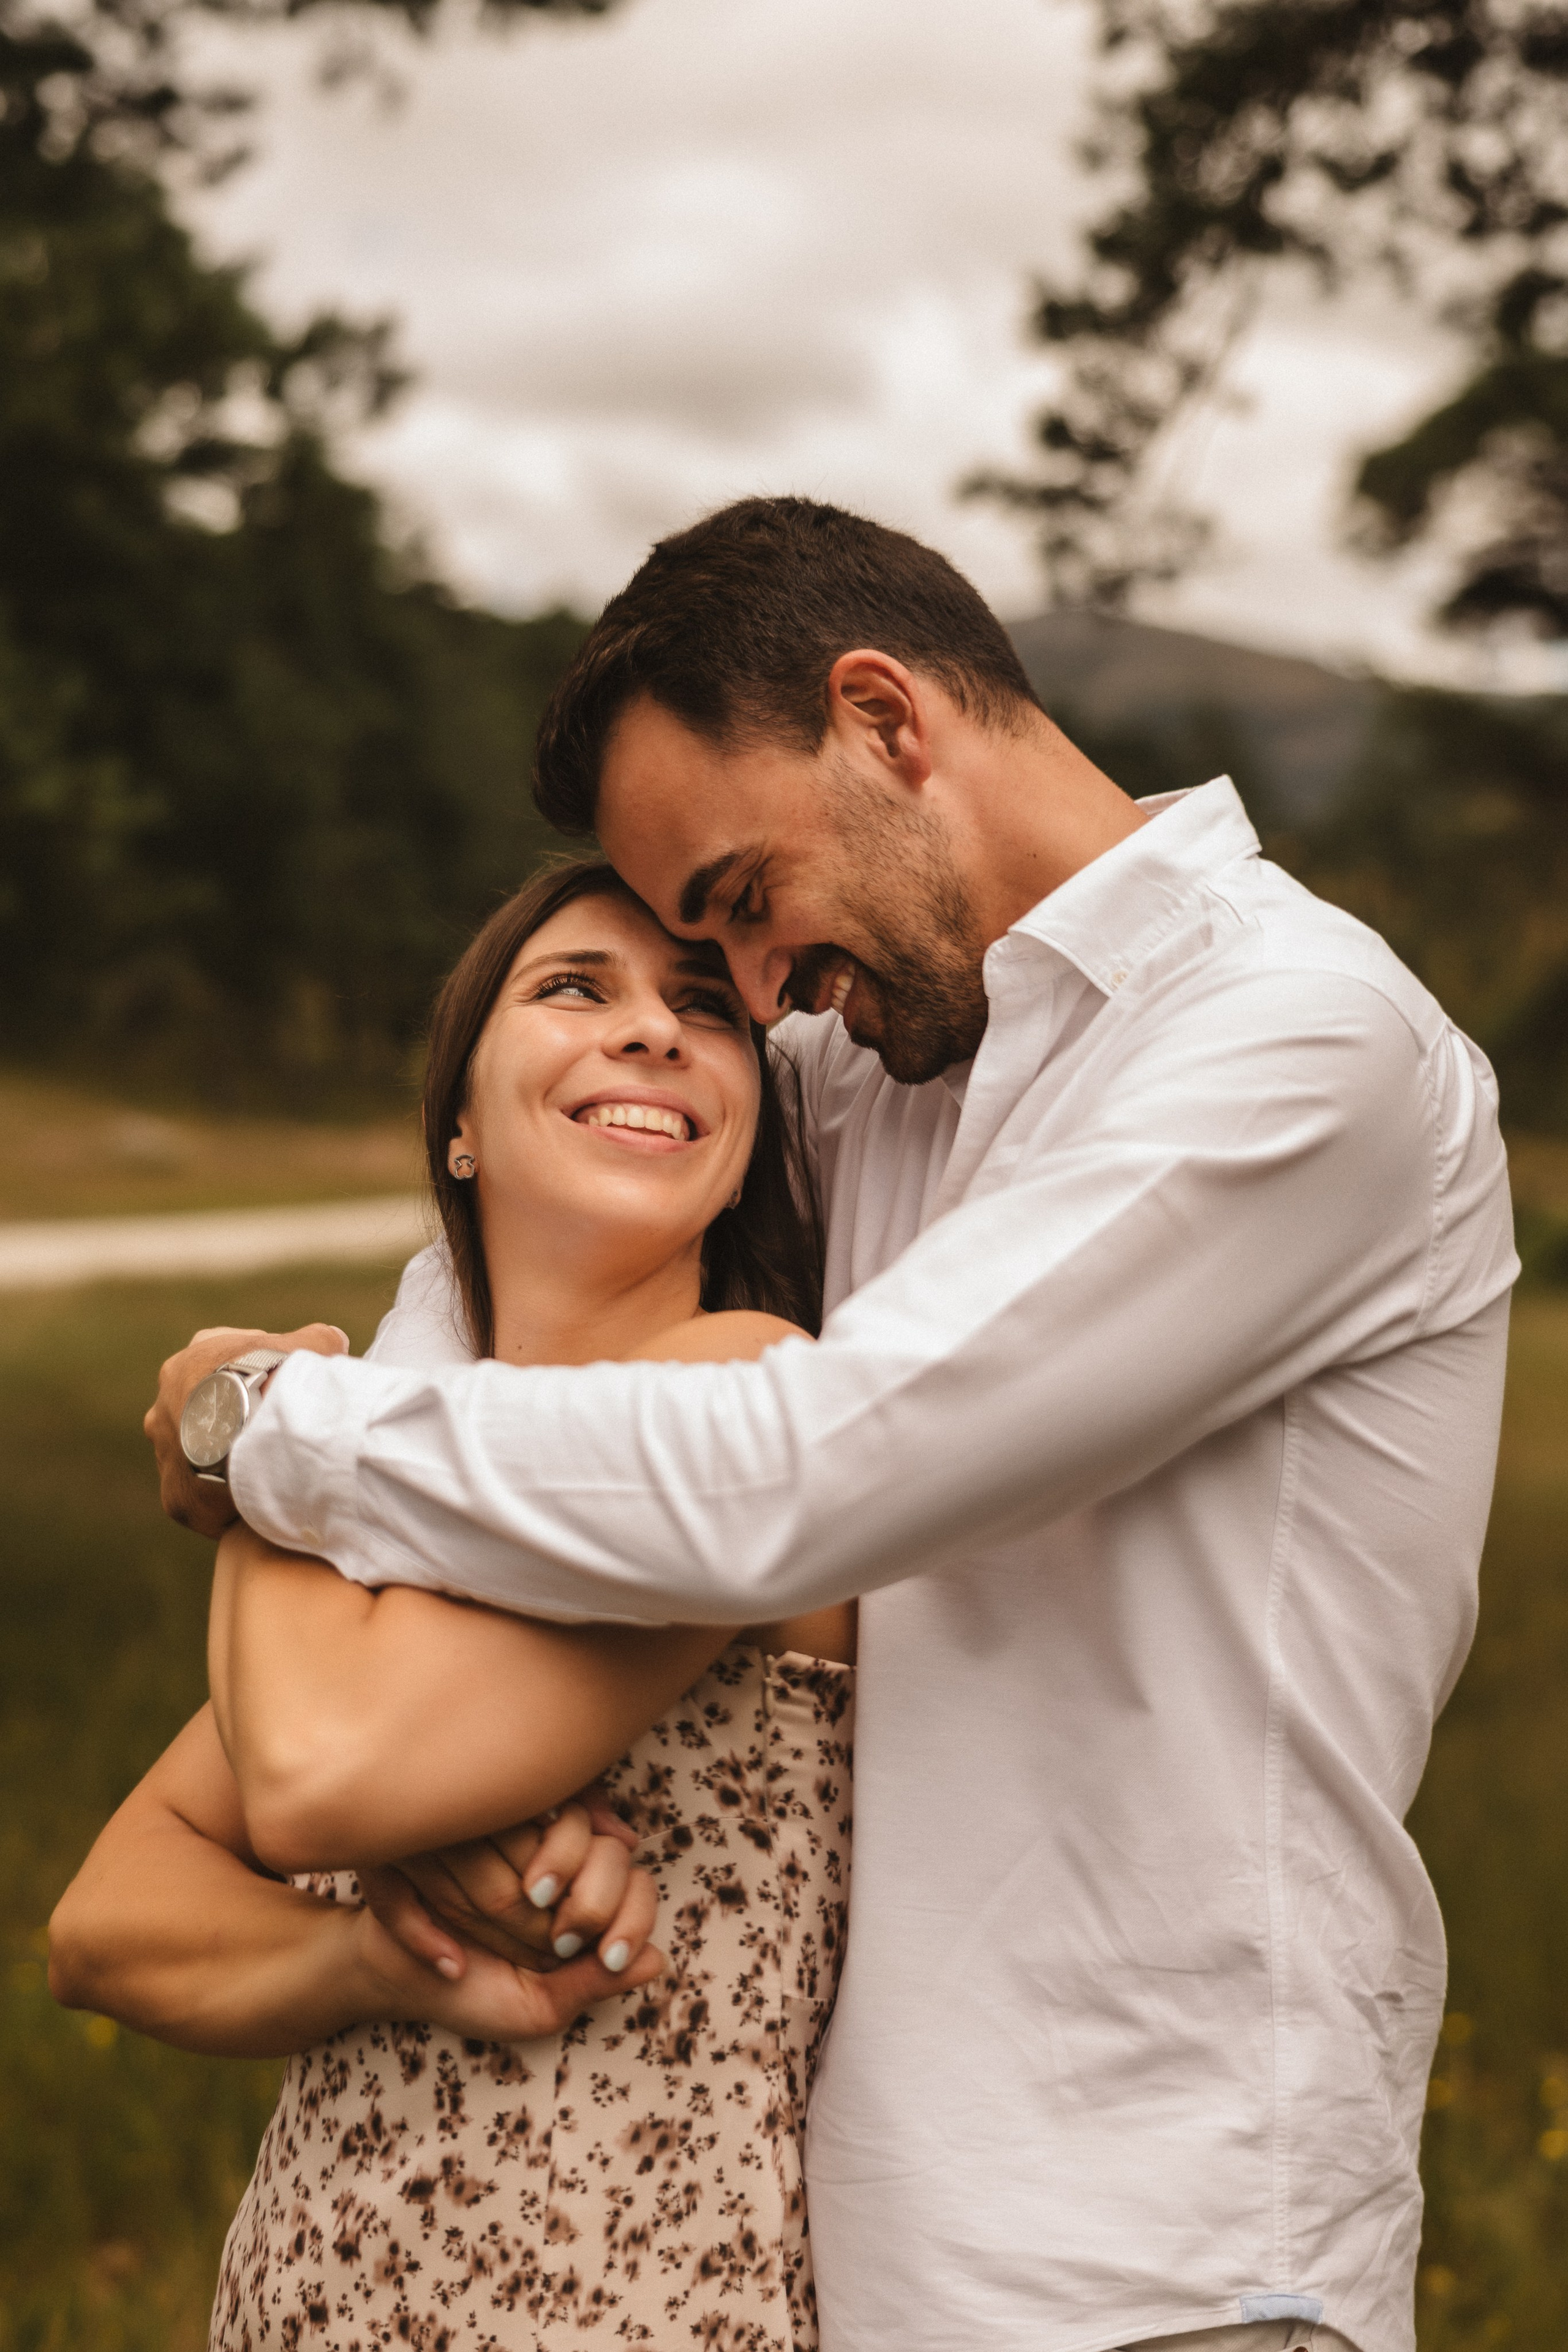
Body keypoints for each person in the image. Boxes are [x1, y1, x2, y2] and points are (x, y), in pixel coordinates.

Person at [146, 498, 1518, 2352]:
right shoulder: (880, 1054)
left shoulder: (1298, 1043)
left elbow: (802, 1474)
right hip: (834, 2241)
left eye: (739, 904)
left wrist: (273, 1437)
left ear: (884, 721)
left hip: (1164, 2250)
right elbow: (508, 1274)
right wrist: (313, 1446)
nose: (763, 993)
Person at [53, 858, 855, 2351]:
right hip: (311, 2300)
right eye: (574, 989)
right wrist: (389, 1954)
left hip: (630, 2310)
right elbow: (107, 1922)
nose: (653, 1032)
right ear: (462, 1127)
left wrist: (258, 1426)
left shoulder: (745, 1393)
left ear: (743, 1144)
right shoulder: (397, 1471)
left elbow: (311, 1775)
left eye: (705, 1011)